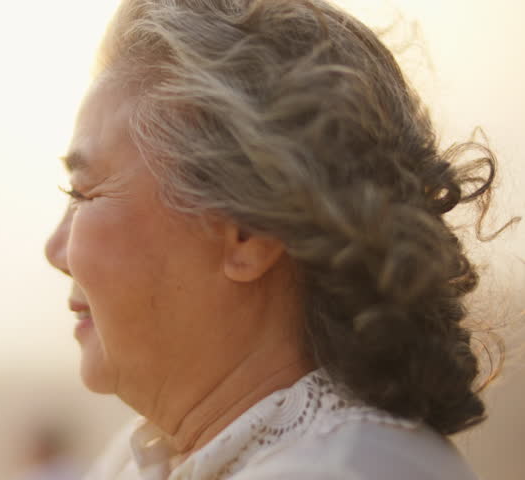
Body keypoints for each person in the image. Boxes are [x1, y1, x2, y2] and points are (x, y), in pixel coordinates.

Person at [44, 1, 518, 479]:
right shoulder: (143, 458)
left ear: (246, 231)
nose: (55, 250)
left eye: (84, 194)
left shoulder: (348, 470)